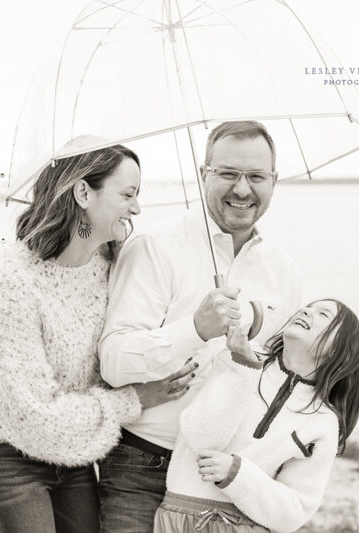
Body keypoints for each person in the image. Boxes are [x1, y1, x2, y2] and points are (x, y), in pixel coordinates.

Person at [0, 141, 195, 533]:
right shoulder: (16, 280)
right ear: (83, 192)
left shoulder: (110, 265)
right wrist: (135, 401)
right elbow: (33, 414)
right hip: (2, 453)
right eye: (127, 194)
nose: (136, 208)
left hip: (73, 454)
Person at [98, 121, 303, 532]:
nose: (243, 189)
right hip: (144, 466)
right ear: (203, 173)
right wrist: (195, 329)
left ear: (274, 181)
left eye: (256, 177)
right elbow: (113, 362)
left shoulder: (283, 270)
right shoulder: (155, 247)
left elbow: (285, 379)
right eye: (228, 173)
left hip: (228, 480)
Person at [154, 299, 359, 532]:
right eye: (307, 307)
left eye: (323, 314)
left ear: (339, 351)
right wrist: (244, 366)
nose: (307, 310)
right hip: (176, 517)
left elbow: (295, 511)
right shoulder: (241, 357)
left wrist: (238, 475)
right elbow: (201, 438)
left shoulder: (323, 422)